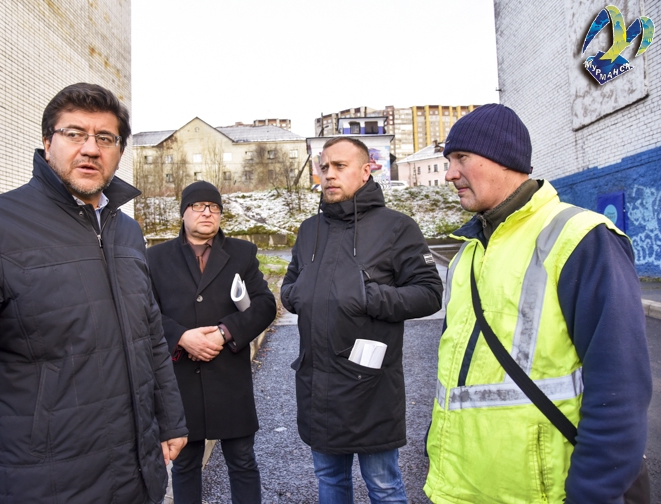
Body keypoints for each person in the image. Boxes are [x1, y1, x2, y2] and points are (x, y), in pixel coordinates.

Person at [0, 83, 188, 504]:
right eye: (74, 133)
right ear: (47, 142)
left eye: (105, 138)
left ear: (119, 151)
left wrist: (170, 419)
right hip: (45, 482)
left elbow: (149, 336)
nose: (90, 148)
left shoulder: (127, 231)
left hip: (137, 474)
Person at [424, 104, 652, 503]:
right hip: (460, 489)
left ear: (503, 158)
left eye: (461, 157)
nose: (449, 174)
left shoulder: (580, 239)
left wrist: (593, 493)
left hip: (543, 493)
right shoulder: (466, 254)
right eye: (448, 161)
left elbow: (620, 388)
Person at [281, 137, 443, 503]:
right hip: (317, 384)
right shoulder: (310, 230)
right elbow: (290, 284)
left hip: (371, 386)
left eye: (340, 166)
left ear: (366, 170)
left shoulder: (397, 228)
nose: (329, 174)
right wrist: (296, 294)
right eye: (324, 167)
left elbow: (430, 293)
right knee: (329, 480)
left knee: (383, 485)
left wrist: (367, 296)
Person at [146, 181, 276, 504]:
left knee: (243, 462)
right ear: (183, 213)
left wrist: (224, 332)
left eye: (214, 207)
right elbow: (145, 312)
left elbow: (264, 305)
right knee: (185, 465)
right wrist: (181, 337)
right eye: (198, 206)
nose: (207, 212)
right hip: (180, 382)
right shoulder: (155, 258)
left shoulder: (241, 253)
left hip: (229, 378)